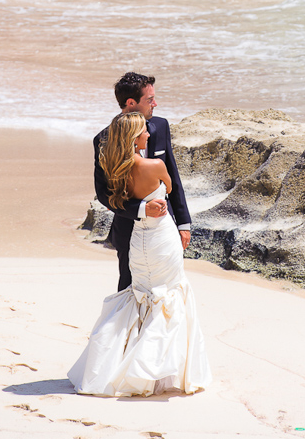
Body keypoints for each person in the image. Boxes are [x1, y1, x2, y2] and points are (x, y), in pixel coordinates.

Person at [69, 112, 211, 396]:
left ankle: (124, 363)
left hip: (138, 240)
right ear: (135, 138)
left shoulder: (114, 168)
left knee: (141, 293)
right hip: (161, 238)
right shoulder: (154, 164)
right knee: (171, 293)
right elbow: (169, 187)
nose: (149, 134)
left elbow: (112, 197)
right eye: (144, 131)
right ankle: (157, 370)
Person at [93, 72, 191, 291]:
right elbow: (103, 193)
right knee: (130, 289)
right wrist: (142, 209)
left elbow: (173, 176)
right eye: (149, 99)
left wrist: (183, 224)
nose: (155, 103)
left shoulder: (161, 126)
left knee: (167, 287)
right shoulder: (103, 140)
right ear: (131, 103)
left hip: (164, 228)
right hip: (128, 229)